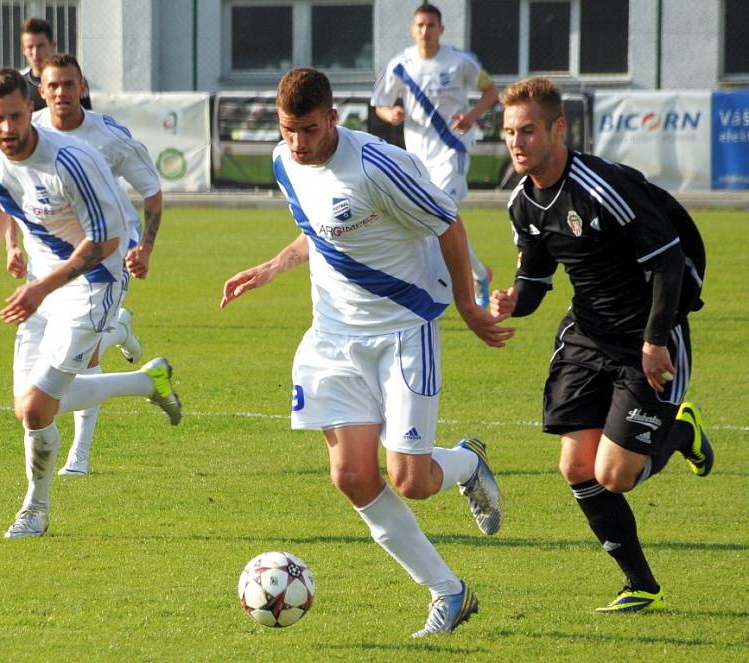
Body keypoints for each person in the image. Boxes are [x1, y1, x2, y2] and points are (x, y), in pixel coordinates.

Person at [222, 68, 513, 637]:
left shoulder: (379, 167)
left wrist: (469, 306)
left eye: (309, 129)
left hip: (404, 330)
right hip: (332, 336)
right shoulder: (286, 162)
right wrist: (270, 268)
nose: (299, 144)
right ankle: (448, 592)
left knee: (411, 480)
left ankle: (466, 463)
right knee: (353, 476)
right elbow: (320, 228)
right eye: (288, 131)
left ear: (334, 117)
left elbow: (449, 226)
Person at [492, 76, 713, 613]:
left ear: (557, 129)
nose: (516, 143)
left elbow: (666, 260)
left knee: (617, 474)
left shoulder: (603, 186)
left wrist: (656, 340)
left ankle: (679, 427)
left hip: (648, 337)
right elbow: (538, 282)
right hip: (587, 336)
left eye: (527, 131)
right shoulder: (523, 202)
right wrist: (511, 302)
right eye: (507, 133)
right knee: (576, 467)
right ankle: (640, 585)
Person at [0, 68, 181, 539]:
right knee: (29, 408)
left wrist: (42, 287)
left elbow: (105, 242)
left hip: (94, 285)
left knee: (37, 409)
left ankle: (34, 510)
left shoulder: (71, 161)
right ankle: (146, 382)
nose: (8, 129)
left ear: (31, 112)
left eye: (16, 117)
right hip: (42, 287)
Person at [16, 53, 163, 476]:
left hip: (106, 255)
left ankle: (79, 454)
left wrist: (145, 249)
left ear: (82, 88)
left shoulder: (109, 136)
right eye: (53, 85)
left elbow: (151, 193)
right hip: (51, 259)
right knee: (50, 374)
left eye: (69, 84)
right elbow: (12, 196)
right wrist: (12, 246)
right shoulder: (30, 132)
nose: (61, 92)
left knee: (83, 355)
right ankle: (123, 331)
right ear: (39, 92)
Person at [371, 2, 497, 307]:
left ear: (441, 29)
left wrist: (471, 117)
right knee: (432, 221)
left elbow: (491, 91)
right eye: (420, 26)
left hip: (452, 152)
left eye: (431, 26)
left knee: (440, 217)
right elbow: (380, 104)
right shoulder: (400, 64)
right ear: (412, 29)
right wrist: (392, 114)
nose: (425, 31)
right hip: (416, 158)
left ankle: (444, 291)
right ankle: (480, 275)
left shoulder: (459, 62)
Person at [20, 18, 92, 112]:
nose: (35, 52)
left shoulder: (75, 80)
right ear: (23, 50)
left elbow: (86, 118)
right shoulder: (19, 84)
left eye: (40, 46)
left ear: (53, 45)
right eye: (30, 47)